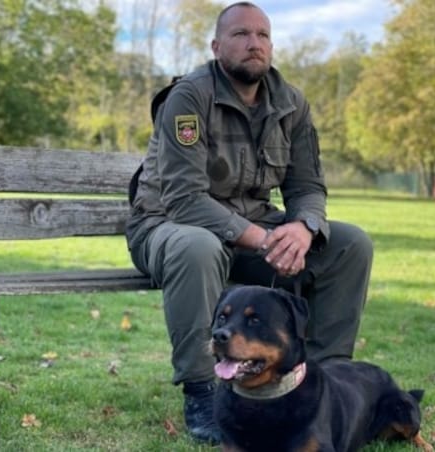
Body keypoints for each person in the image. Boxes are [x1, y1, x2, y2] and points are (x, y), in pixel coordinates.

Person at [126, 1, 373, 444]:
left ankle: (324, 379)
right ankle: (202, 390)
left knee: (349, 244)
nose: (253, 43)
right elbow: (183, 199)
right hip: (167, 227)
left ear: (271, 45)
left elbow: (308, 186)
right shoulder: (190, 96)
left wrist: (304, 227)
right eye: (241, 34)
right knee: (197, 246)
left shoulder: (290, 103)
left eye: (261, 35)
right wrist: (264, 239)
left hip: (248, 230)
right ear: (217, 45)